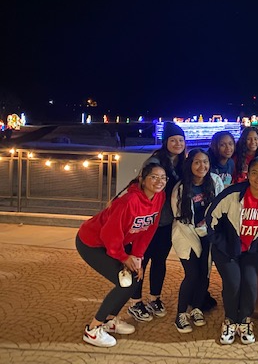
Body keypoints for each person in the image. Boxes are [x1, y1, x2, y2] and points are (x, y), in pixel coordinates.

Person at [76, 162, 167, 347]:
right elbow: (109, 234)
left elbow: (149, 229)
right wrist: (124, 258)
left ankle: (110, 320)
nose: (159, 181)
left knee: (134, 278)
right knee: (125, 282)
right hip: (91, 242)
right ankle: (93, 329)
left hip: (114, 244)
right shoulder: (129, 200)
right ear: (142, 179)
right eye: (154, 177)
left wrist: (138, 257)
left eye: (163, 178)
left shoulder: (160, 196)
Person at [206, 156, 258, 345]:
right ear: (247, 175)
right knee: (233, 283)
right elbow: (210, 218)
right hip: (227, 249)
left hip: (251, 250)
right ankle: (230, 320)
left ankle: (245, 320)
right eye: (255, 173)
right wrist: (222, 243)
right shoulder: (232, 194)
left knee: (250, 284)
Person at [128, 121, 186, 322]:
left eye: (181, 140)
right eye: (173, 140)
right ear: (165, 142)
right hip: (148, 221)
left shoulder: (181, 162)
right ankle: (135, 302)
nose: (178, 143)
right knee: (141, 261)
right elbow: (140, 186)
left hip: (166, 221)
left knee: (159, 261)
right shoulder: (155, 162)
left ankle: (154, 298)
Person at [171, 149, 224, 333]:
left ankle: (197, 308)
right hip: (186, 233)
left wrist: (209, 230)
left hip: (208, 233)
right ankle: (180, 314)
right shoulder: (181, 188)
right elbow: (179, 216)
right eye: (197, 162)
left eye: (206, 162)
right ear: (190, 165)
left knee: (205, 273)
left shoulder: (215, 181)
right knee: (192, 273)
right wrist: (198, 230)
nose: (202, 166)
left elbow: (220, 208)